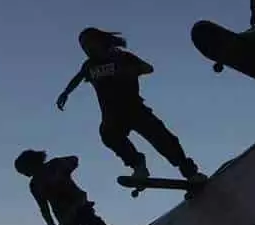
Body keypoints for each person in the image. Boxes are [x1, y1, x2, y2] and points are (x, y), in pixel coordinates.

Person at [56, 27, 206, 184]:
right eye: (83, 47)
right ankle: (138, 165)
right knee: (108, 135)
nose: (87, 49)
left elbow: (148, 68)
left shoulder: (121, 57)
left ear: (100, 41)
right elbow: (78, 78)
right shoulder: (89, 66)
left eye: (88, 44)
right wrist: (66, 93)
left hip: (134, 108)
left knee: (162, 138)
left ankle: (190, 173)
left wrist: (130, 70)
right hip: (112, 114)